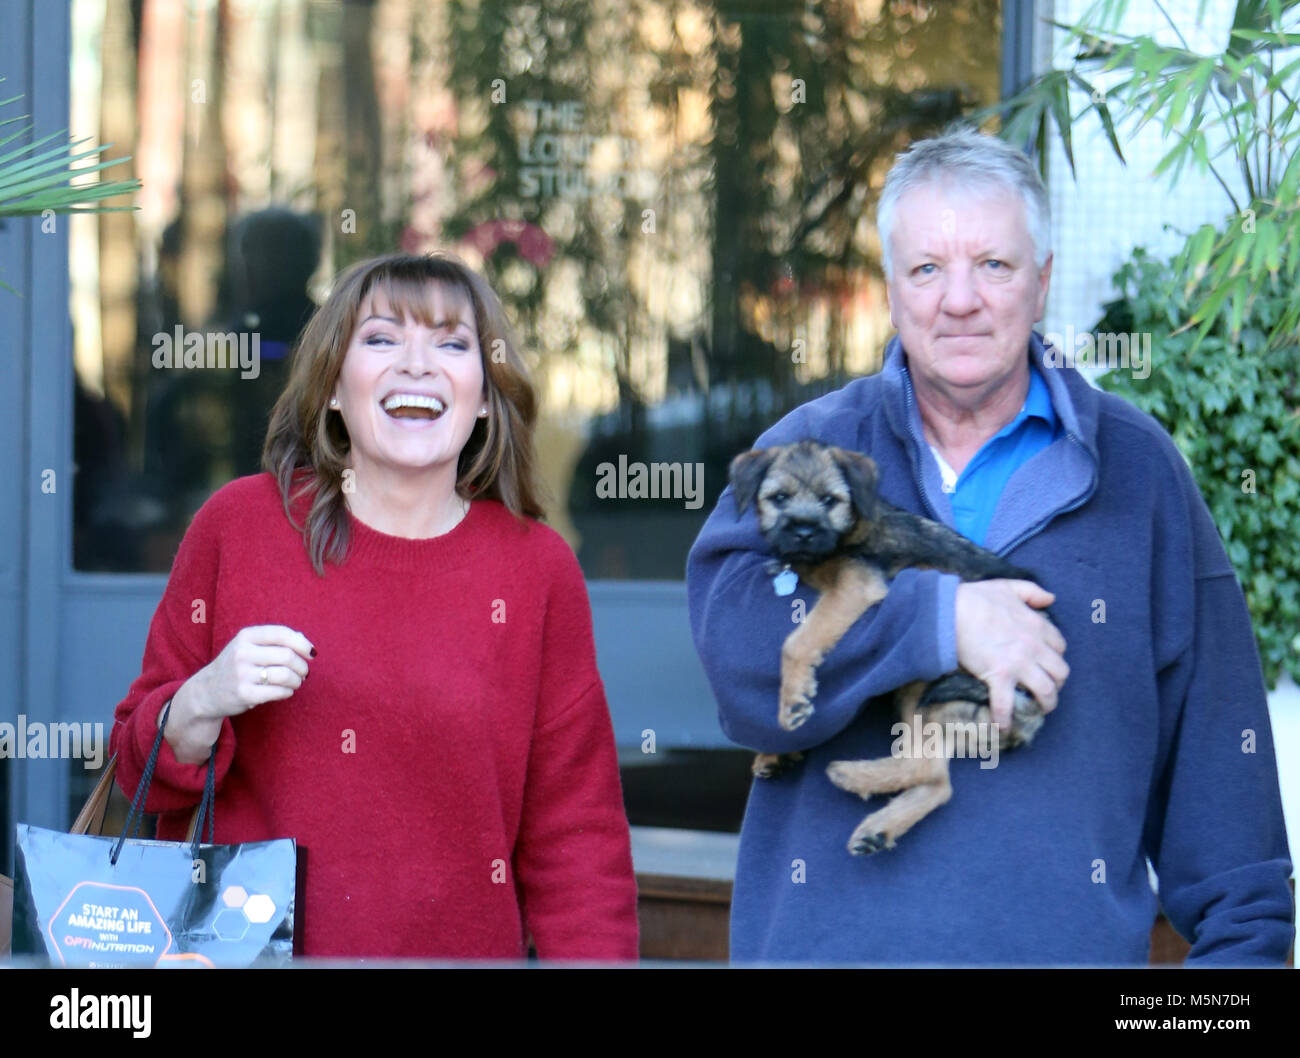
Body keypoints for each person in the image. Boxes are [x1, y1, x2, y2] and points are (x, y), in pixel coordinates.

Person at [686, 129, 1294, 965]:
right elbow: (742, 667)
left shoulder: (1139, 474)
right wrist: (937, 620)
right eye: (928, 268)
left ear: (1041, 282)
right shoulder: (809, 452)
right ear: (892, 288)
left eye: (995, 266)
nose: (959, 299)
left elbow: (1231, 823)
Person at [109, 251, 640, 961]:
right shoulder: (239, 526)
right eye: (383, 338)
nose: (417, 364)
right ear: (332, 388)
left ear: (484, 396)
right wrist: (204, 698)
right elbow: (135, 764)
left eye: (451, 344)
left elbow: (578, 839)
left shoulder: (536, 568)